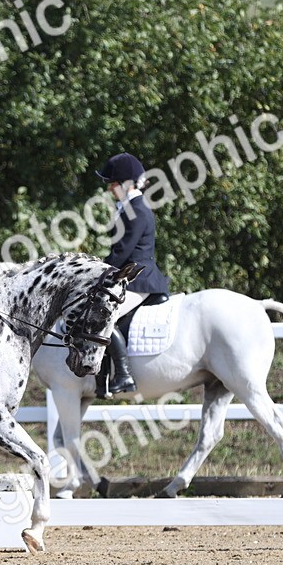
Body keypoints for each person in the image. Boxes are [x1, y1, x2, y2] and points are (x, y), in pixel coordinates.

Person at [95, 152, 170, 396]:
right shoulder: (129, 208)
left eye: (112, 184)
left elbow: (122, 252)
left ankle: (124, 375)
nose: (109, 189)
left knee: (104, 316)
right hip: (131, 276)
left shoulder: (136, 210)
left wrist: (98, 271)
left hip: (140, 279)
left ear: (127, 184)